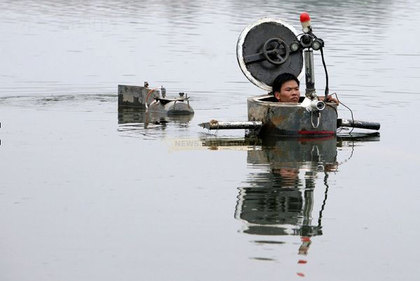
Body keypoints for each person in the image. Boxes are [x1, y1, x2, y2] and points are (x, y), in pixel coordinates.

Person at [272, 73, 338, 104]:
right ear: (277, 95)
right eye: (288, 90)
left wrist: (325, 102)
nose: (294, 93)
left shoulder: (305, 105)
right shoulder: (271, 110)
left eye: (296, 89)